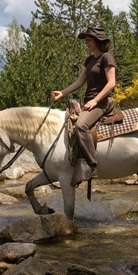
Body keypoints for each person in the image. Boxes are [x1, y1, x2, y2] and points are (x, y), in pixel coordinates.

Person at [51, 27, 117, 187]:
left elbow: (111, 83)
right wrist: (62, 93)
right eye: (85, 40)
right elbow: (79, 82)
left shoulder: (106, 57)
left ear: (98, 41)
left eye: (89, 40)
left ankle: (91, 165)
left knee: (81, 126)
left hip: (101, 102)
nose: (86, 43)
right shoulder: (89, 60)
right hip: (89, 102)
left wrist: (95, 100)